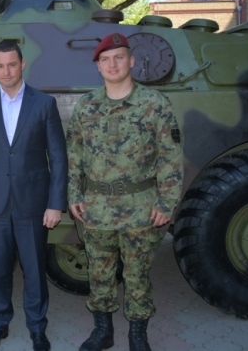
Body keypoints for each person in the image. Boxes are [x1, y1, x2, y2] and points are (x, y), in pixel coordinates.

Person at [66, 33, 183, 351]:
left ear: (131, 61)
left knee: (137, 274)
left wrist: (167, 203)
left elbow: (170, 157)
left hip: (140, 208)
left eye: (118, 57)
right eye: (105, 59)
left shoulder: (154, 104)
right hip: (96, 208)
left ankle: (137, 335)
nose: (112, 64)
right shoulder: (86, 106)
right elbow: (74, 154)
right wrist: (74, 194)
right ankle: (103, 332)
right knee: (99, 273)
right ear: (98, 66)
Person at [0, 40, 67, 351]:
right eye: (0, 66)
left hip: (33, 204)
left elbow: (58, 157)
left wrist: (55, 203)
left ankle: (37, 328)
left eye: (11, 64)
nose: (6, 71)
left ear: (22, 64)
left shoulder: (44, 104)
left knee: (34, 270)